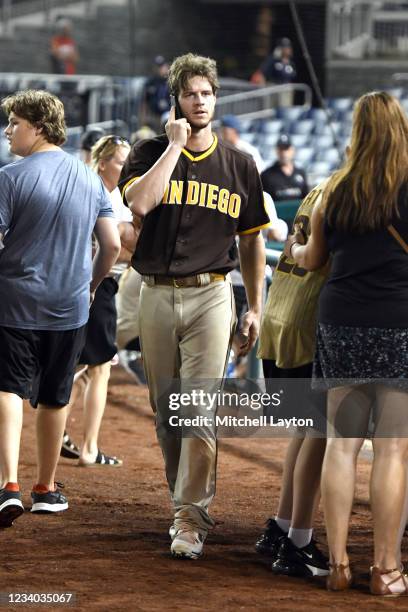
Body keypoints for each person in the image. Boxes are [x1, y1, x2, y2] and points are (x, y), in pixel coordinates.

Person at [119, 53, 269, 559]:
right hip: (156, 292)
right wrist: (174, 149)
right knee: (166, 413)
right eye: (190, 93)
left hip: (212, 294)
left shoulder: (241, 165)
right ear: (176, 101)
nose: (199, 100)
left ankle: (190, 516)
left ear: (216, 97)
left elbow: (252, 241)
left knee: (198, 409)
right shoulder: (147, 152)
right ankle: (179, 500)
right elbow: (140, 204)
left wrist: (255, 306)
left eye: (206, 92)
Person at [285, 91, 408, 597]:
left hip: (340, 324)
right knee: (393, 450)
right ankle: (385, 569)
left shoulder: (334, 193)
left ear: (357, 133)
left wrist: (291, 245)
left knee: (340, 445)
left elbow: (312, 259)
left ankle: (336, 565)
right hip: (399, 325)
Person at [0, 90, 120, 526]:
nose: (9, 130)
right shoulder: (90, 178)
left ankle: (7, 485)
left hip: (14, 301)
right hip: (69, 304)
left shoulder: (11, 177)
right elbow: (109, 244)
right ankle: (46, 488)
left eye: (15, 122)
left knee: (9, 389)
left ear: (40, 127)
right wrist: (90, 285)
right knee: (55, 397)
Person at [255, 182, 329, 578]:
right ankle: (298, 541)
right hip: (308, 320)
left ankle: (282, 527)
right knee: (318, 432)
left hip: (281, 314)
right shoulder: (356, 191)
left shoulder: (322, 186)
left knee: (304, 430)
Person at [64, 135, 138, 467]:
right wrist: (123, 238)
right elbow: (117, 248)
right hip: (97, 284)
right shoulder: (99, 193)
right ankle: (90, 448)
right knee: (99, 367)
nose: (127, 167)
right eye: (122, 161)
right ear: (104, 162)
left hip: (88, 283)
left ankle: (63, 435)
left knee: (78, 365)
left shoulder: (114, 194)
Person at [261, 135, 309, 203]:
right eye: (281, 149)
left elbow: (306, 199)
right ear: (277, 151)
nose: (284, 153)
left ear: (292, 150)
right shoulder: (267, 175)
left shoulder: (300, 173)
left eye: (286, 149)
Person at [139, 56, 171, 133]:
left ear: (167, 66)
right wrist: (143, 118)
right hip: (153, 116)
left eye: (162, 66)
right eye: (158, 67)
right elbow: (144, 101)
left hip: (168, 115)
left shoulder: (171, 81)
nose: (160, 69)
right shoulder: (150, 82)